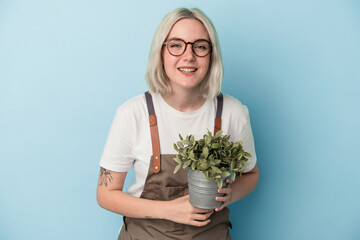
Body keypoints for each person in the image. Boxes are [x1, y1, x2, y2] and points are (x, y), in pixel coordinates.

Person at [97, 7, 259, 240]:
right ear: (160, 52)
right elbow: (105, 193)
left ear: (212, 55)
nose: (188, 56)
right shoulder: (133, 113)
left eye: (200, 46)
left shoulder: (233, 112)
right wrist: (169, 210)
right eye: (176, 45)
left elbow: (251, 174)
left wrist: (229, 195)